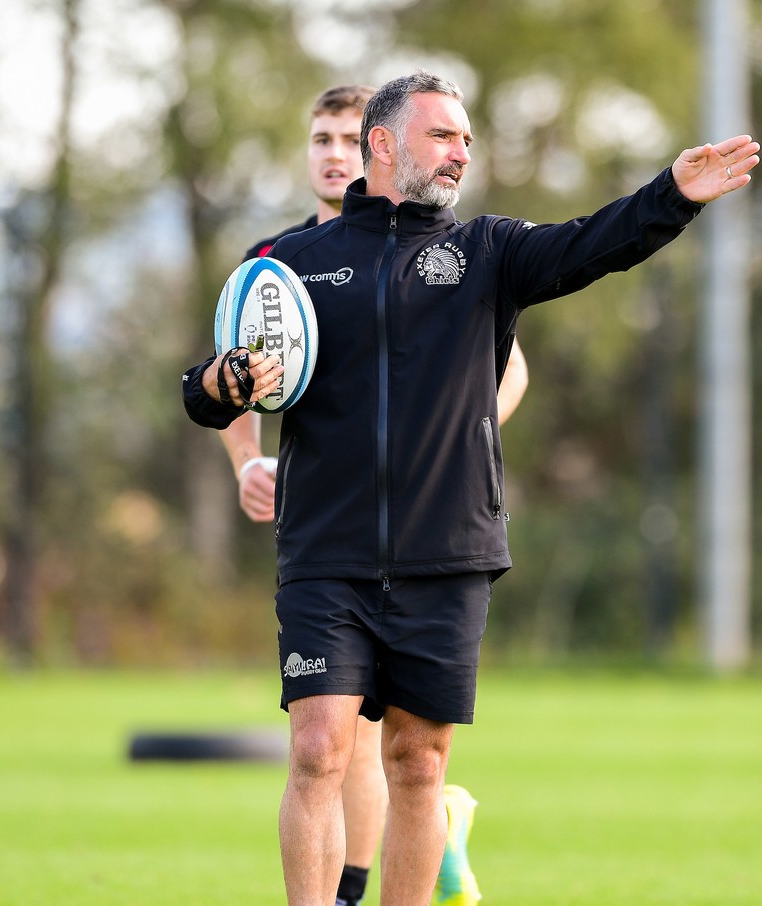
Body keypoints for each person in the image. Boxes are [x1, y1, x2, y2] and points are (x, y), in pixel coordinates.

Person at [182, 70, 759, 906]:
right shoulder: (291, 263)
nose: (461, 153)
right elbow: (204, 391)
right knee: (316, 749)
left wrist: (674, 194)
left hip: (447, 553)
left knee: (419, 763)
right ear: (383, 145)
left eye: (466, 140)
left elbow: (596, 240)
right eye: (443, 136)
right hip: (325, 553)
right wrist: (225, 383)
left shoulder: (488, 251)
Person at [218, 84, 522, 906]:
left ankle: (383, 870)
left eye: (346, 136)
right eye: (319, 136)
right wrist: (248, 459)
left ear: (377, 146)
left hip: (425, 538)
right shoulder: (279, 264)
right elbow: (228, 380)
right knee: (325, 739)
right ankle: (363, 879)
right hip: (327, 534)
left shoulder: (453, 254)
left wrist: (435, 440)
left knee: (384, 748)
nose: (332, 151)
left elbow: (505, 369)